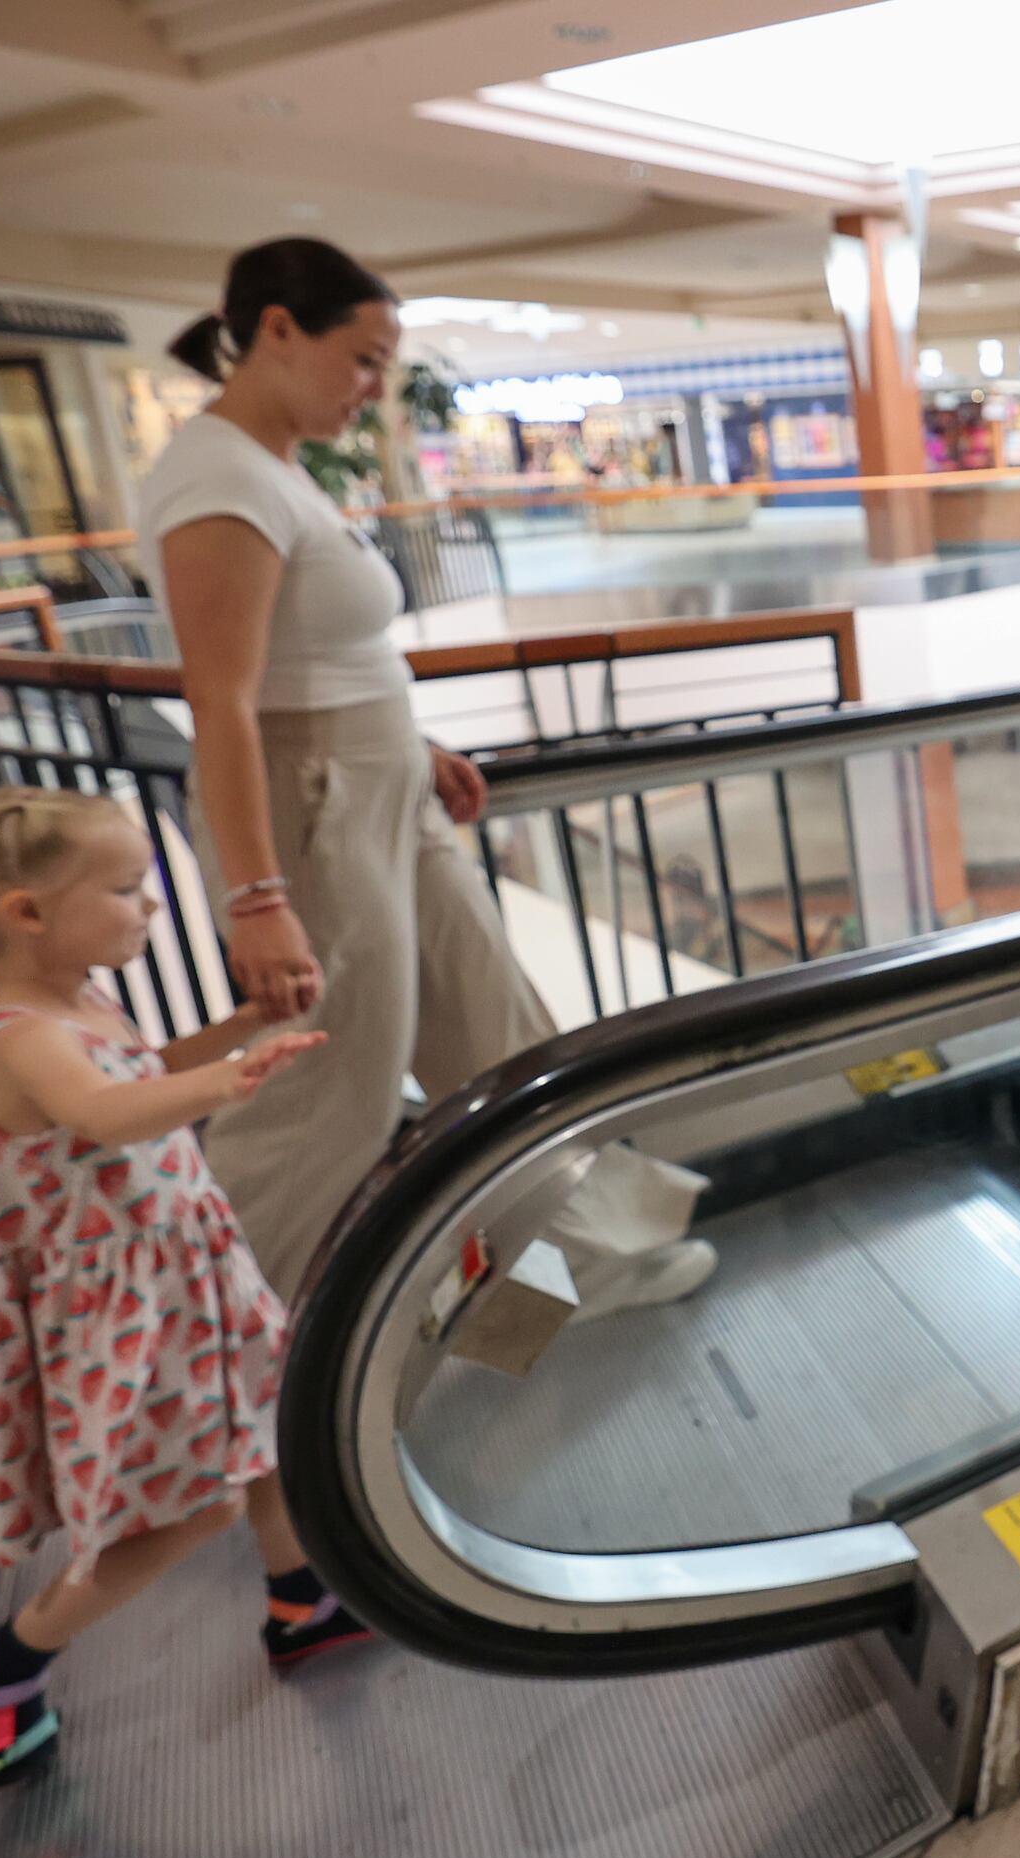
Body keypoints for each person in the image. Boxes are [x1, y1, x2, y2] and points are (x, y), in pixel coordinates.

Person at [139, 237, 708, 1320]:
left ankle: (550, 1279)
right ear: (274, 330)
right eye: (362, 358)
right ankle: (203, 1344)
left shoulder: (272, 469)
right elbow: (224, 701)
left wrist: (411, 746)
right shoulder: (215, 477)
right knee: (334, 1090)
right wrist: (257, 898)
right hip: (314, 808)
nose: (374, 388)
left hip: (374, 784)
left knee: (495, 1036)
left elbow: (327, 657)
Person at [0, 788, 360, 1790]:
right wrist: (225, 1086)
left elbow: (144, 1066)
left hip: (187, 1268)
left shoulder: (81, 998)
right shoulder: (19, 1037)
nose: (148, 909)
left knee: (266, 1430)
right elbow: (105, 1112)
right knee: (182, 1510)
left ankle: (300, 1601)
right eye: (125, 890)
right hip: (128, 1309)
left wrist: (242, 1027)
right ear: (26, 911)